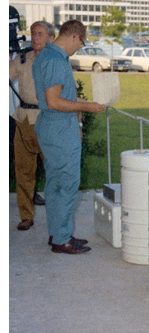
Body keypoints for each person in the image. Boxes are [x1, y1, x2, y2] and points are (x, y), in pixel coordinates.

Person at [32, 19, 105, 255]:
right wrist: (85, 108)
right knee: (66, 185)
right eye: (81, 43)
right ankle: (61, 239)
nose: (80, 47)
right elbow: (54, 101)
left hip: (52, 127)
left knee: (55, 184)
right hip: (60, 129)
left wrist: (84, 103)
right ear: (74, 36)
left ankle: (58, 232)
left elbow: (58, 96)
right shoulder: (55, 60)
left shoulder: (47, 56)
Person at [10, 21, 53, 231]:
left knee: (54, 173)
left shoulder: (56, 61)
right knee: (24, 172)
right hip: (24, 120)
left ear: (50, 38)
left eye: (41, 34)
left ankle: (57, 217)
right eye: (33, 33)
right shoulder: (22, 58)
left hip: (48, 121)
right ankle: (26, 216)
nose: (36, 38)